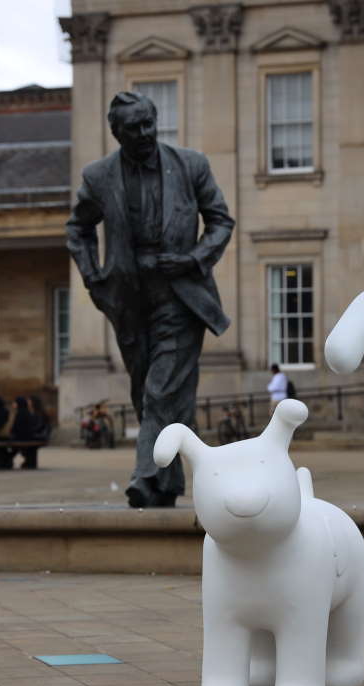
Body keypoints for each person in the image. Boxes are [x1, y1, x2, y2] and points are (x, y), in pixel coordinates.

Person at [66, 90, 234, 509]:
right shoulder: (99, 176)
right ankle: (169, 480)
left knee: (160, 390)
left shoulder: (191, 165)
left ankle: (144, 477)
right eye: (132, 128)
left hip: (181, 296)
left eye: (148, 123)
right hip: (129, 299)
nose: (143, 133)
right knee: (148, 392)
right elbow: (78, 229)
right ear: (116, 132)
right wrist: (93, 277)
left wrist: (194, 258)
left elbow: (220, 221)